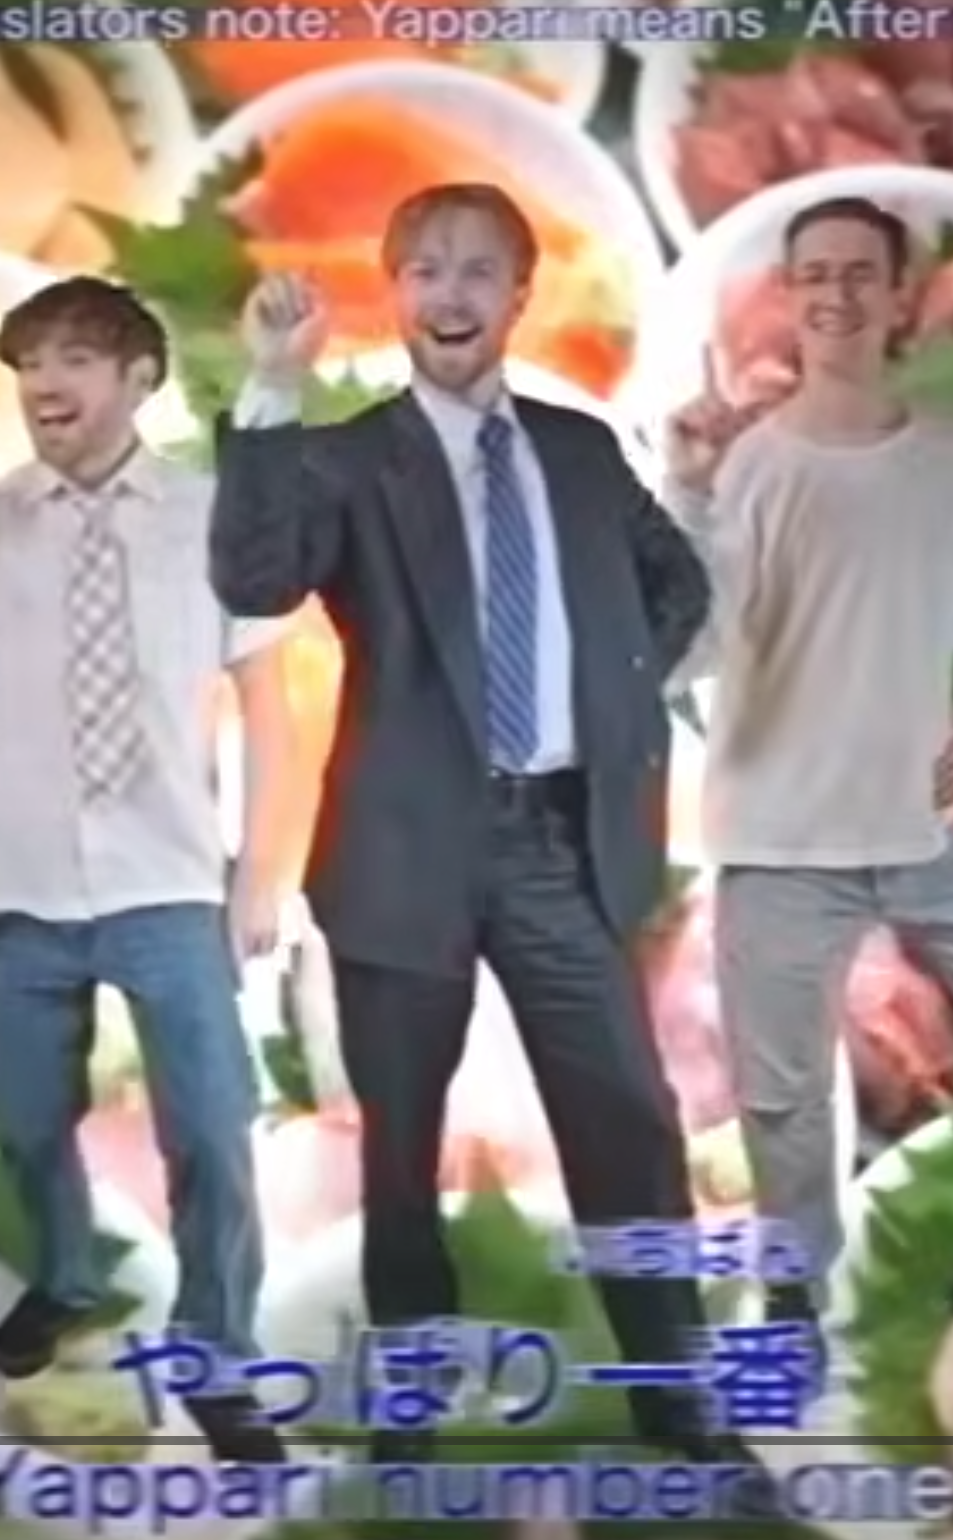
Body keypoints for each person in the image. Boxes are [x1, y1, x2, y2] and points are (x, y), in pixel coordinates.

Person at [207, 182, 770, 1479]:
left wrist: (613, 695)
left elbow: (672, 581)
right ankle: (408, 1421)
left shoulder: (579, 448)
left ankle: (686, 1411)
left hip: (559, 839)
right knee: (400, 1155)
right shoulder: (351, 456)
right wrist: (274, 387)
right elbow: (255, 572)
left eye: (477, 271)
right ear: (395, 294)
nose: (450, 294)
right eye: (426, 270)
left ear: (521, 296)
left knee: (629, 1125)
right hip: (405, 845)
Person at [0, 276, 295, 1464]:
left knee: (213, 1135)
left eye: (75, 357)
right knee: (30, 1124)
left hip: (167, 879)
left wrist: (262, 871)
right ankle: (66, 1274)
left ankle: (217, 1353)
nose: (45, 381)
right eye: (30, 361)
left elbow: (268, 704)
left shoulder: (209, 515)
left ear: (139, 380)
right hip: (12, 887)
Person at [665, 194, 953, 1378]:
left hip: (919, 830)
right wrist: (688, 493)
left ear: (900, 294)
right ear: (789, 293)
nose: (836, 294)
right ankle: (794, 1310)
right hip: (775, 833)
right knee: (783, 1105)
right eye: (814, 273)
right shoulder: (748, 463)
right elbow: (684, 651)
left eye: (860, 272)